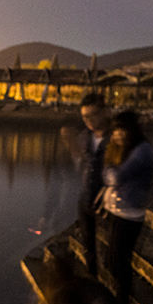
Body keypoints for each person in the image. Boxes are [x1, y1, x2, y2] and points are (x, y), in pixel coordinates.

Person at [97, 110, 153, 304]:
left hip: (129, 216)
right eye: (116, 130)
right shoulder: (130, 150)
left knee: (119, 264)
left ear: (131, 130)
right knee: (113, 262)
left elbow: (115, 177)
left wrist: (108, 172)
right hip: (118, 212)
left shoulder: (142, 152)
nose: (118, 135)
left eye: (122, 130)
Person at [61, 93, 110, 274]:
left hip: (109, 203)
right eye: (84, 117)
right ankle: (93, 281)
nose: (89, 120)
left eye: (93, 115)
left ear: (105, 112)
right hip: (86, 198)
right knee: (88, 248)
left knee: (112, 252)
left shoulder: (117, 138)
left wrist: (110, 188)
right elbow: (80, 162)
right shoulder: (84, 138)